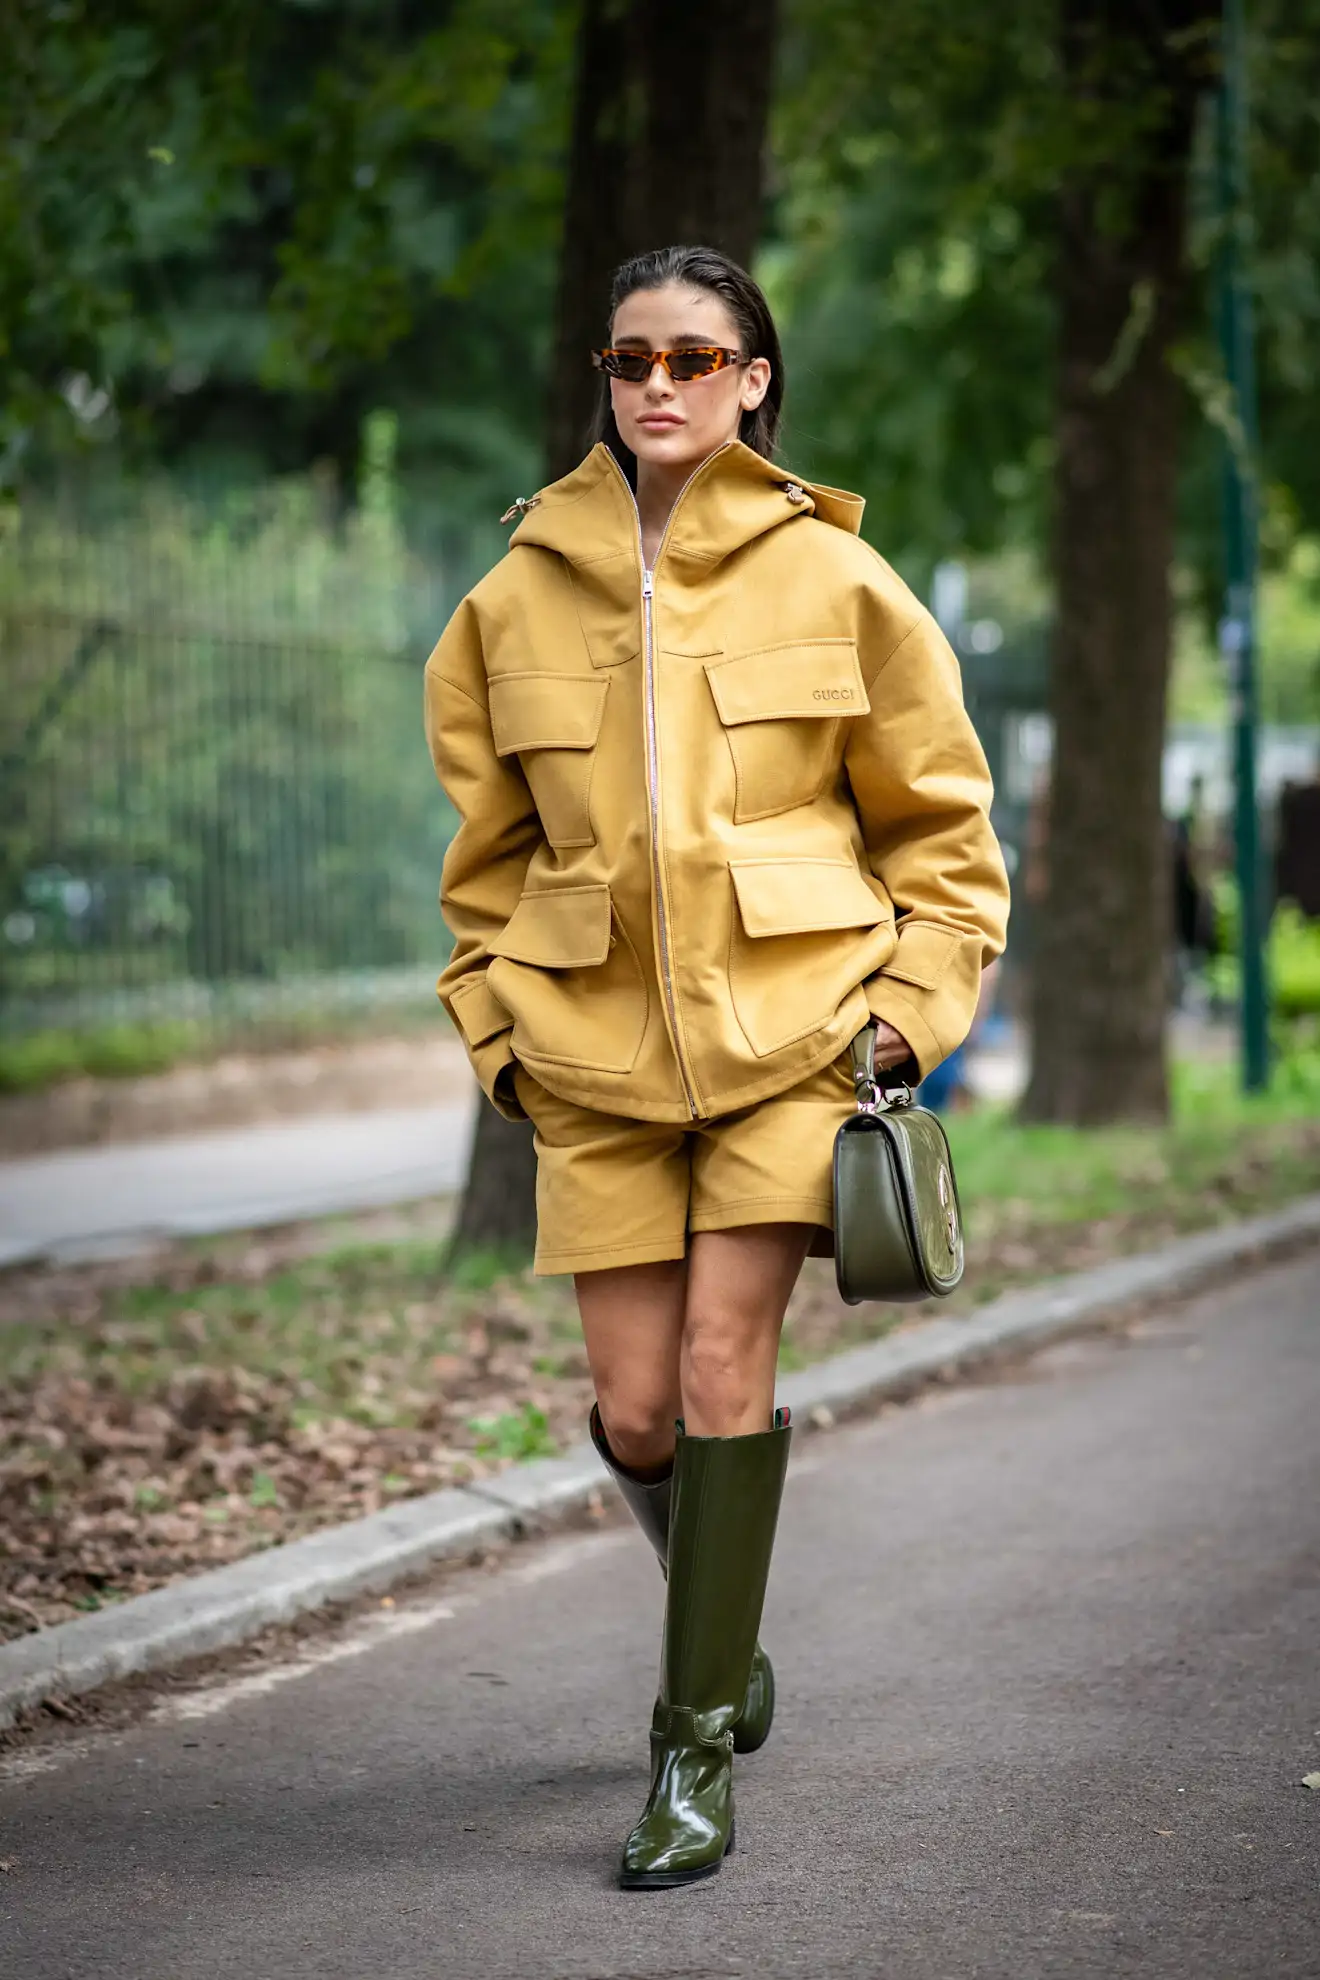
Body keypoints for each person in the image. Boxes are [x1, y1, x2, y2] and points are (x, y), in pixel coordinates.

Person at [424, 244, 1009, 1890]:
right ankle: (721, 1635)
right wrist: (500, 1038)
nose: (658, 386)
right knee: (632, 1411)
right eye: (628, 362)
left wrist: (904, 1014)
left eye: (693, 358)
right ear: (602, 384)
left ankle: (687, 1755)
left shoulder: (839, 583)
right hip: (593, 1059)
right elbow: (482, 862)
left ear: (753, 379)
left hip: (794, 1049)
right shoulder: (512, 596)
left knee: (716, 1369)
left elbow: (948, 839)